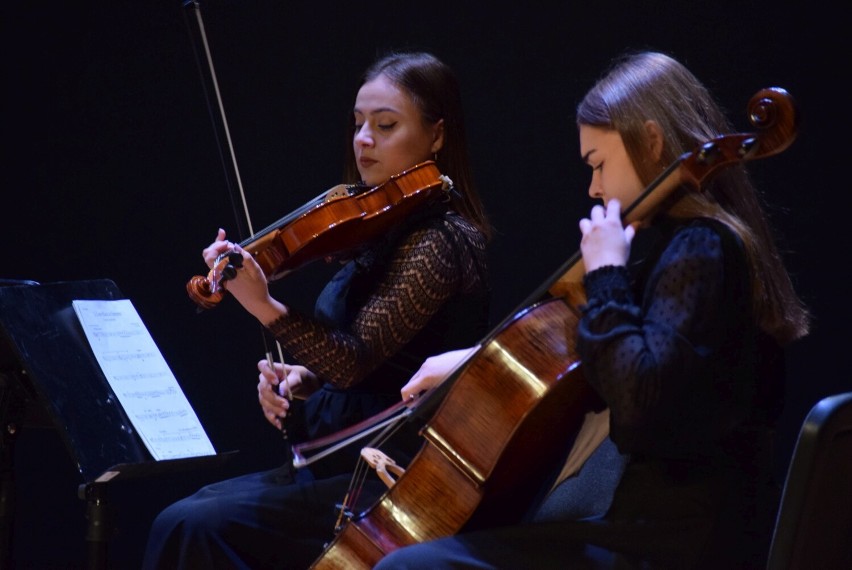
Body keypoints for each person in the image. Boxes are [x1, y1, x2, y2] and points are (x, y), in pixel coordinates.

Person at [374, 50, 810, 569]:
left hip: (668, 545)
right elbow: (590, 361)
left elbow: (639, 397)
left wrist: (605, 273)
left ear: (651, 140)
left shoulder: (702, 248)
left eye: (598, 164)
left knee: (410, 566)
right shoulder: (687, 248)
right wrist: (478, 358)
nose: (593, 188)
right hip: (649, 531)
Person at [142, 50, 492, 570]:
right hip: (333, 458)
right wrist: (305, 378)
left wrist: (265, 307)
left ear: (437, 136)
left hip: (387, 474)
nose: (363, 139)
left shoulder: (441, 240)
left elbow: (353, 361)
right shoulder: (380, 229)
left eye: (386, 124)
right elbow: (366, 365)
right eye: (358, 124)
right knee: (184, 516)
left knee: (191, 526)